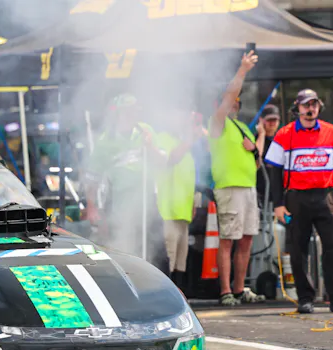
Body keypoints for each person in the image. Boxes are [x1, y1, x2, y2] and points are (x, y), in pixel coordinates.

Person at [265, 89, 333, 314]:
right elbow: (275, 172)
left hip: (325, 196)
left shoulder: (332, 132)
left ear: (319, 107)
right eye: (306, 105)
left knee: (332, 248)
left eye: (314, 105)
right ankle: (305, 298)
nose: (311, 109)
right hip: (296, 197)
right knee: (298, 249)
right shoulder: (284, 134)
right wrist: (278, 204)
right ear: (297, 108)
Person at [86, 93, 169, 274]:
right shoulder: (106, 141)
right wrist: (91, 206)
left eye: (135, 110)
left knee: (158, 251)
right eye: (128, 111)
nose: (133, 115)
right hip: (118, 204)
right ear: (117, 114)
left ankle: (159, 283)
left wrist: (150, 146)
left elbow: (163, 162)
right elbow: (92, 177)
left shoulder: (145, 131)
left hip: (147, 202)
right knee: (123, 250)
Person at [208, 50, 266, 306]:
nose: (234, 104)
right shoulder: (217, 123)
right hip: (230, 187)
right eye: (231, 102)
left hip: (248, 187)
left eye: (237, 103)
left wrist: (259, 139)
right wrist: (242, 70)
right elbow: (230, 95)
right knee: (228, 240)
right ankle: (225, 291)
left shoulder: (243, 127)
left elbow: (257, 160)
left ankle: (240, 289)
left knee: (246, 239)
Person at [156, 109, 203, 287]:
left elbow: (189, 176)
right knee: (169, 259)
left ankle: (180, 296)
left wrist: (193, 201)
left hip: (183, 212)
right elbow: (172, 158)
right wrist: (190, 139)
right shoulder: (161, 139)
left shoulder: (183, 144)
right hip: (167, 211)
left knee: (180, 263)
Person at [255, 104, 282, 208]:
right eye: (269, 120)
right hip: (260, 194)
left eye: (275, 120)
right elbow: (255, 158)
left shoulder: (281, 140)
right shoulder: (255, 139)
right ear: (261, 120)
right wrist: (261, 134)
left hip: (278, 195)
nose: (272, 123)